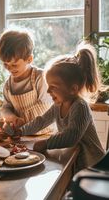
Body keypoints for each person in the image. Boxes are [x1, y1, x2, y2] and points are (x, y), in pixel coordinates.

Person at [9, 41, 105, 172]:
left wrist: (46, 143)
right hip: (79, 163)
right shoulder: (58, 105)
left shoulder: (80, 106)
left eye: (53, 87)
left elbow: (71, 136)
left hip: (96, 167)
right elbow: (42, 121)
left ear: (72, 89)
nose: (48, 92)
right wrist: (21, 131)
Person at [0, 29, 55, 135]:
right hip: (21, 135)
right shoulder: (8, 86)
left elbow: (47, 110)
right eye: (5, 64)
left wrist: (23, 122)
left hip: (44, 134)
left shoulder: (40, 78)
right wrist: (11, 117)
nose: (9, 68)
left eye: (14, 65)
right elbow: (6, 108)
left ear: (29, 59)